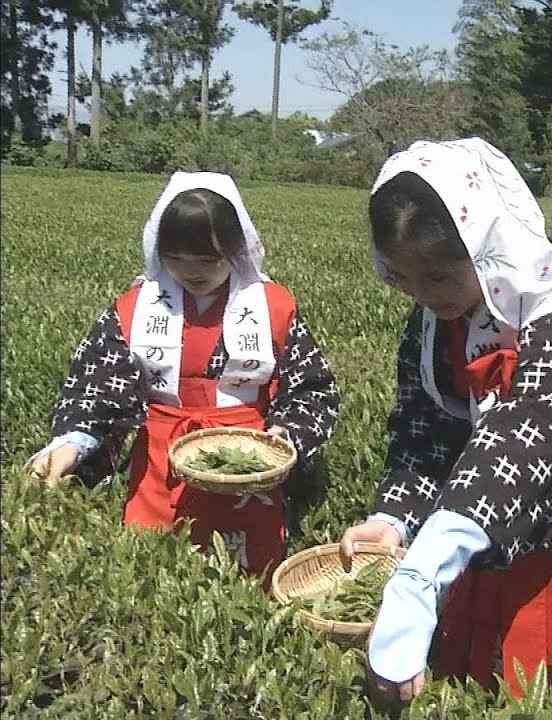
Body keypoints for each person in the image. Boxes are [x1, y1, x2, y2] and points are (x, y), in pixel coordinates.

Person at [338, 138, 552, 718]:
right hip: (464, 541)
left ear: (485, 249)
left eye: (437, 277)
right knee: (476, 691)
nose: (425, 296)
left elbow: (527, 437)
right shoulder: (434, 325)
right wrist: (395, 519)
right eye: (404, 278)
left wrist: (426, 569)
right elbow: (422, 431)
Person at [26, 171, 339, 574]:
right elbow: (98, 383)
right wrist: (73, 442)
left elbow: (309, 387)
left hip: (247, 453)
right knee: (153, 562)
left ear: (236, 249)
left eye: (208, 259)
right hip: (162, 454)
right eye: (175, 258)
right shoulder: (135, 307)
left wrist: (283, 437)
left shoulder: (274, 307)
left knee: (245, 565)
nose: (192, 271)